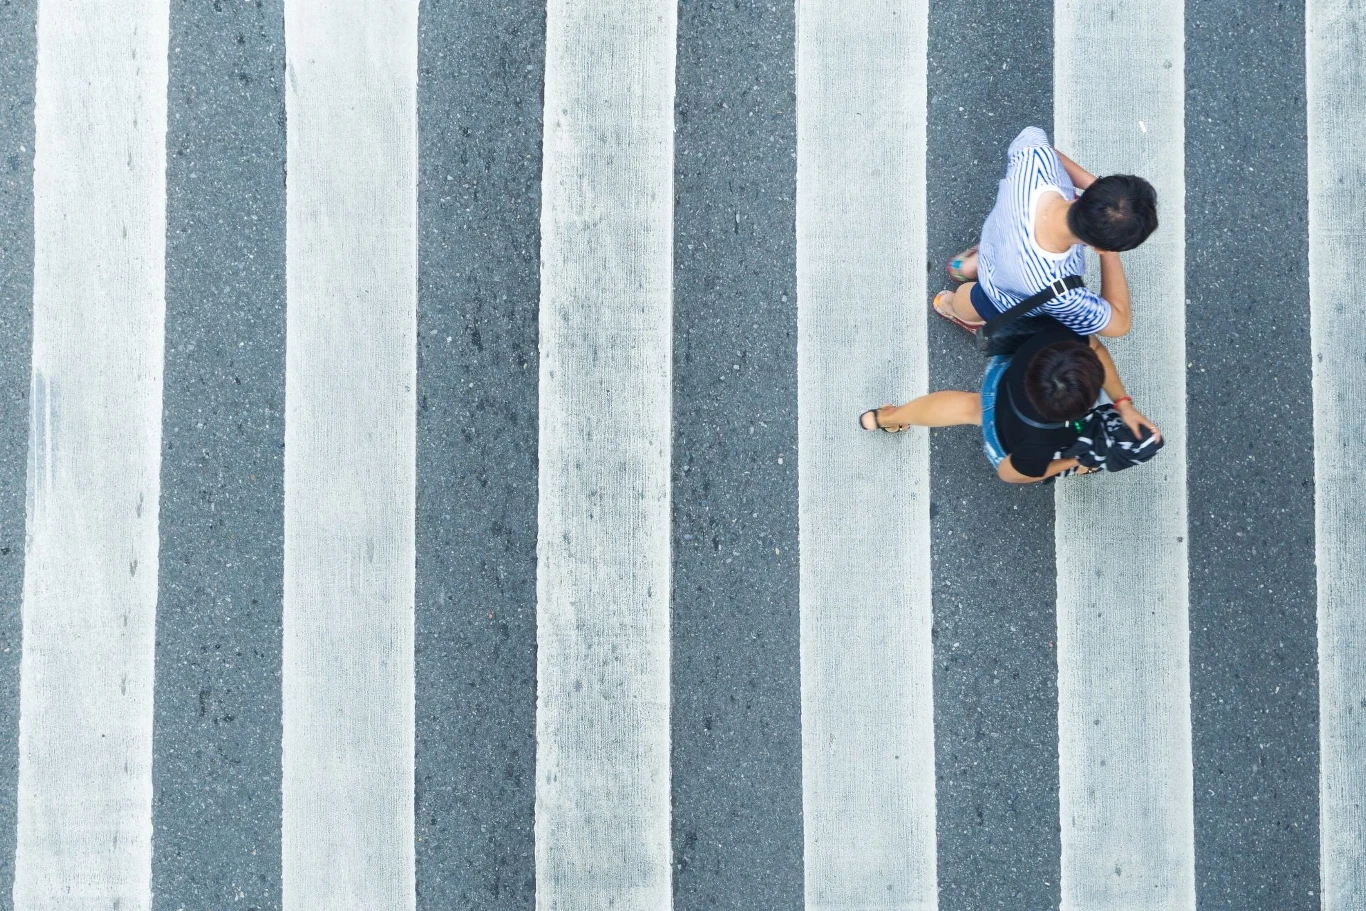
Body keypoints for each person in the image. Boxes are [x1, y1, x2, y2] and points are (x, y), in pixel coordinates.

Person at [858, 319, 1160, 484]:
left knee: (972, 406)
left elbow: (1091, 346)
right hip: (1009, 436)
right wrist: (1077, 459)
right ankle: (889, 418)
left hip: (1003, 378)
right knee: (976, 411)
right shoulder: (1042, 445)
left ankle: (888, 417)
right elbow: (1010, 472)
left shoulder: (1059, 340)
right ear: (1080, 408)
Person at [936, 126, 1158, 339]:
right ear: (1100, 247)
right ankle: (952, 307)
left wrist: (1100, 191)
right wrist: (1110, 252)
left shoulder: (1035, 159)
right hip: (1001, 293)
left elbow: (1040, 144)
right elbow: (1119, 324)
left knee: (991, 256)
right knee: (974, 301)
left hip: (998, 236)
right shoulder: (1061, 292)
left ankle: (968, 268)